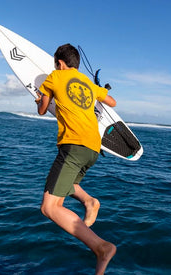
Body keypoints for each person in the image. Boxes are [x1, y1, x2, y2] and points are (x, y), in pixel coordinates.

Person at [35, 43, 117, 275]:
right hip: (93, 148)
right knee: (69, 185)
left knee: (50, 207)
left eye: (56, 64)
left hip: (72, 145)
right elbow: (112, 102)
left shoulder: (54, 77)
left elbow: (42, 110)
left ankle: (102, 247)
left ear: (60, 63)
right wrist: (97, 91)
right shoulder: (88, 84)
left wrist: (40, 98)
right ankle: (90, 202)